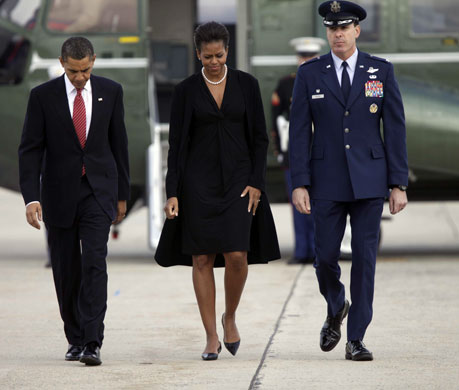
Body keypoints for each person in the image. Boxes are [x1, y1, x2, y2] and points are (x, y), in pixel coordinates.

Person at [289, 0, 408, 361]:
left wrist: (398, 182)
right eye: (332, 28)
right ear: (327, 32)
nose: (338, 34)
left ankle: (356, 337)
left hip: (370, 181)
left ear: (357, 30)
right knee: (324, 257)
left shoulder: (380, 71)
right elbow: (298, 133)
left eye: (344, 28)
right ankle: (336, 303)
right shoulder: (310, 74)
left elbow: (396, 128)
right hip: (326, 181)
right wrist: (299, 182)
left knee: (365, 259)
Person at [155, 21, 280, 361]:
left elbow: (260, 138)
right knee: (201, 257)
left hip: (240, 183)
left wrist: (257, 182)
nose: (214, 62)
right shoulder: (185, 91)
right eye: (207, 56)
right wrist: (172, 192)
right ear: (197, 54)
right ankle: (211, 335)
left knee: (238, 255)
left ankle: (230, 317)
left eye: (219, 55)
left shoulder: (247, 85)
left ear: (228, 51)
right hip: (197, 185)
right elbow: (177, 144)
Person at [18, 37, 130, 366]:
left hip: (98, 191)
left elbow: (118, 144)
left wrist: (122, 194)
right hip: (58, 194)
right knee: (67, 269)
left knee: (95, 263)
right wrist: (31, 198)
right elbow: (30, 149)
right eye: (73, 71)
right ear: (62, 63)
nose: (80, 77)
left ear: (93, 61)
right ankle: (75, 337)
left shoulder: (111, 91)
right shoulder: (42, 97)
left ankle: (93, 341)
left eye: (85, 70)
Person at [271, 37, 325, 264]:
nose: (306, 60)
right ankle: (302, 250)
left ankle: (319, 252)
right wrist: (281, 151)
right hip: (295, 154)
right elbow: (276, 121)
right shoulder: (286, 85)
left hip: (322, 154)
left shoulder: (327, 79)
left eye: (310, 56)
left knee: (321, 205)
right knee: (298, 204)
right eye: (303, 56)